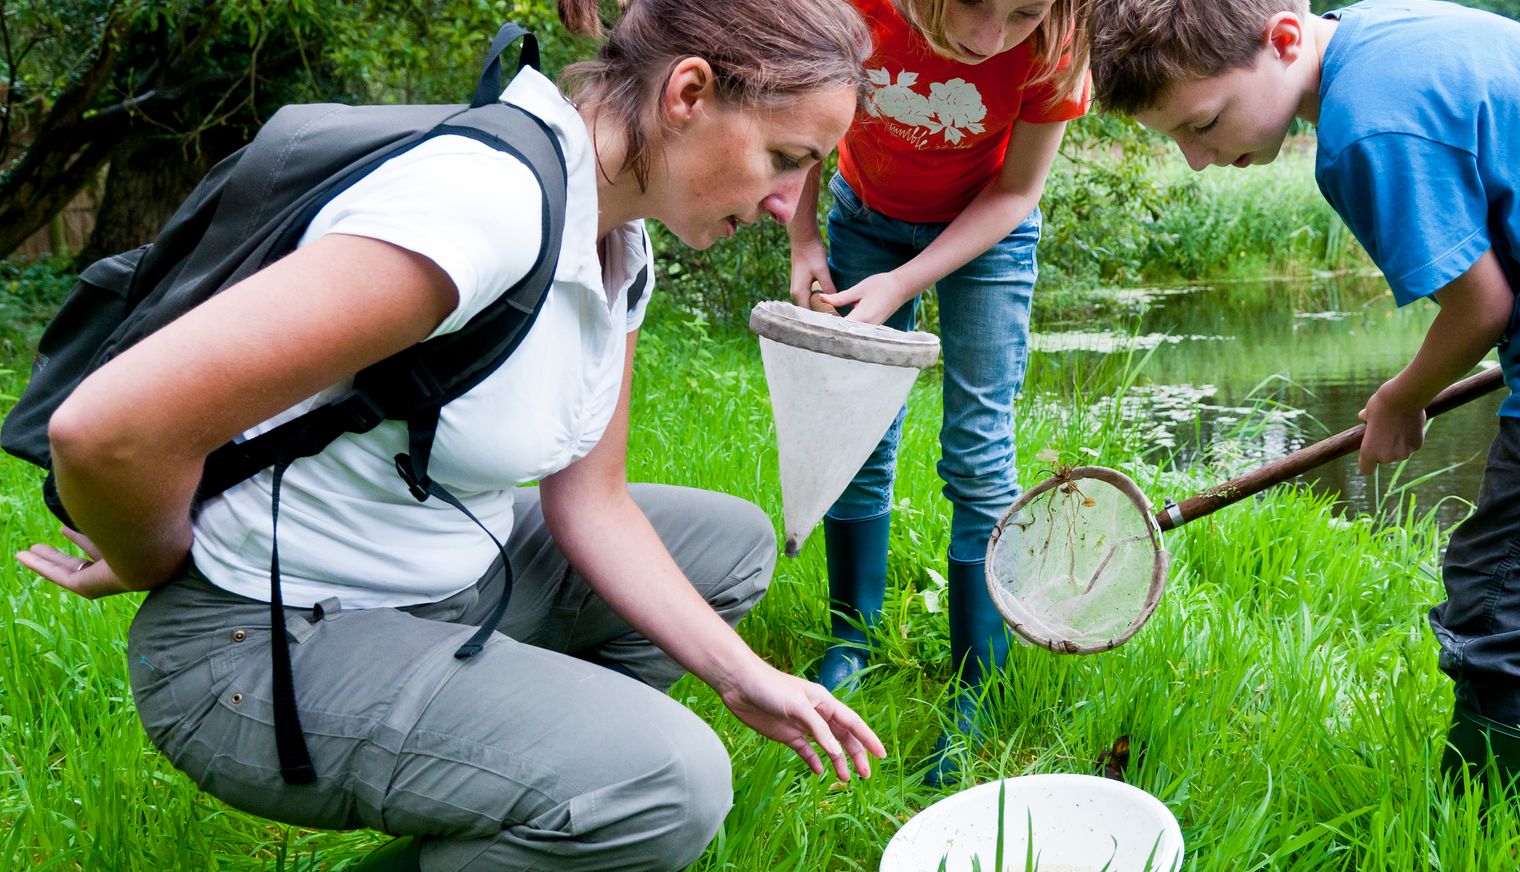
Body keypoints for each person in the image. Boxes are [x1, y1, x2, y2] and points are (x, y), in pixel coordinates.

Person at [14, 0, 885, 868]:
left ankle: (534, 789)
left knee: (729, 544)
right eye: (785, 158)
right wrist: (144, 560)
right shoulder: (488, 206)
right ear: (688, 93)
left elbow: (595, 502)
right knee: (670, 784)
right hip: (257, 642)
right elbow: (106, 431)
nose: (785, 204)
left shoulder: (617, 237)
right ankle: (592, 796)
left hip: (444, 580)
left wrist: (741, 674)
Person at [1083, 0, 1520, 797]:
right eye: (1177, 139)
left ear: (1283, 37)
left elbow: (1481, 307)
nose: (1197, 159)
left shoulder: (1369, 130)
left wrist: (1403, 398)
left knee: (1502, 601)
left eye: (1201, 125)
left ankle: (1494, 835)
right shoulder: (1381, 34)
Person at [786, 0, 1090, 787]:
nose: (988, 39)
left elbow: (1019, 191)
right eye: (972, 5)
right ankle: (850, 641)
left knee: (980, 453)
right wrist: (805, 236)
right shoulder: (857, 10)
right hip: (866, 216)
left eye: (1021, 13)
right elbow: (805, 105)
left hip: (988, 232)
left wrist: (904, 282)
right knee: (858, 432)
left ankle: (974, 690)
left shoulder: (1057, 42)